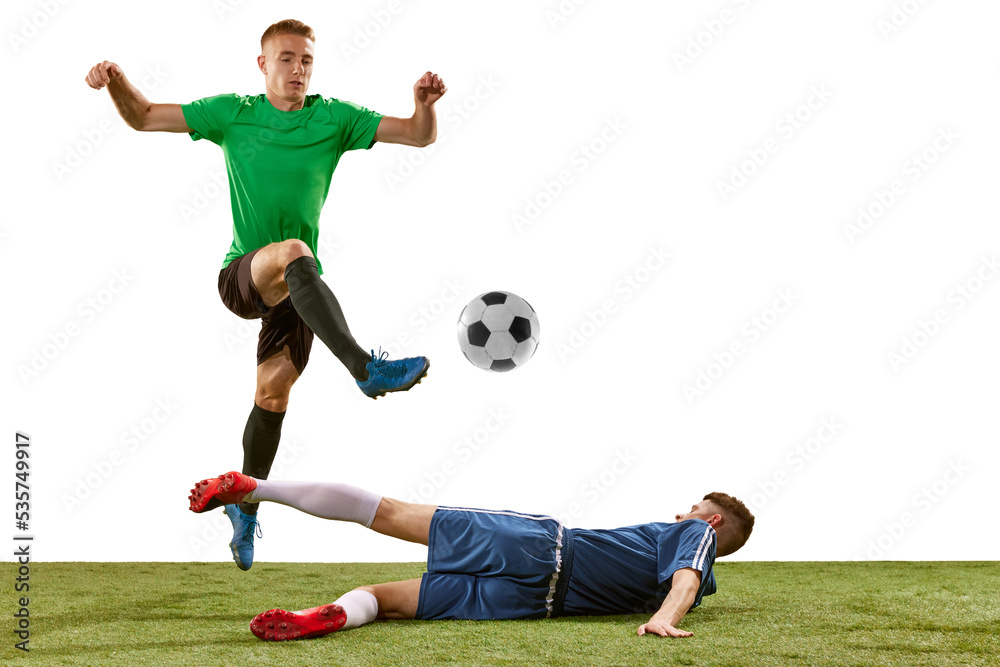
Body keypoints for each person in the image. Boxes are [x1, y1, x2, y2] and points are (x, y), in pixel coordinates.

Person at [84, 19, 447, 571]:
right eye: (286, 59)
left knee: (273, 398)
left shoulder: (336, 118)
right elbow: (144, 116)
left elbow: (419, 136)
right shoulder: (234, 112)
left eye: (306, 60)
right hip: (244, 275)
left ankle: (246, 504)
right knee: (295, 249)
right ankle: (363, 369)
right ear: (262, 64)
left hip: (300, 296)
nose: (297, 69)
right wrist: (115, 80)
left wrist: (423, 104)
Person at [188, 471, 755, 641]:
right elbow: (684, 582)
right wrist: (668, 606)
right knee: (386, 603)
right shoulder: (699, 583)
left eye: (691, 510)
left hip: (542, 546)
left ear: (712, 522)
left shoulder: (695, 539)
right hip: (531, 604)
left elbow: (684, 577)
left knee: (389, 512)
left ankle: (254, 487)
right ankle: (331, 614)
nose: (679, 516)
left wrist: (663, 619)